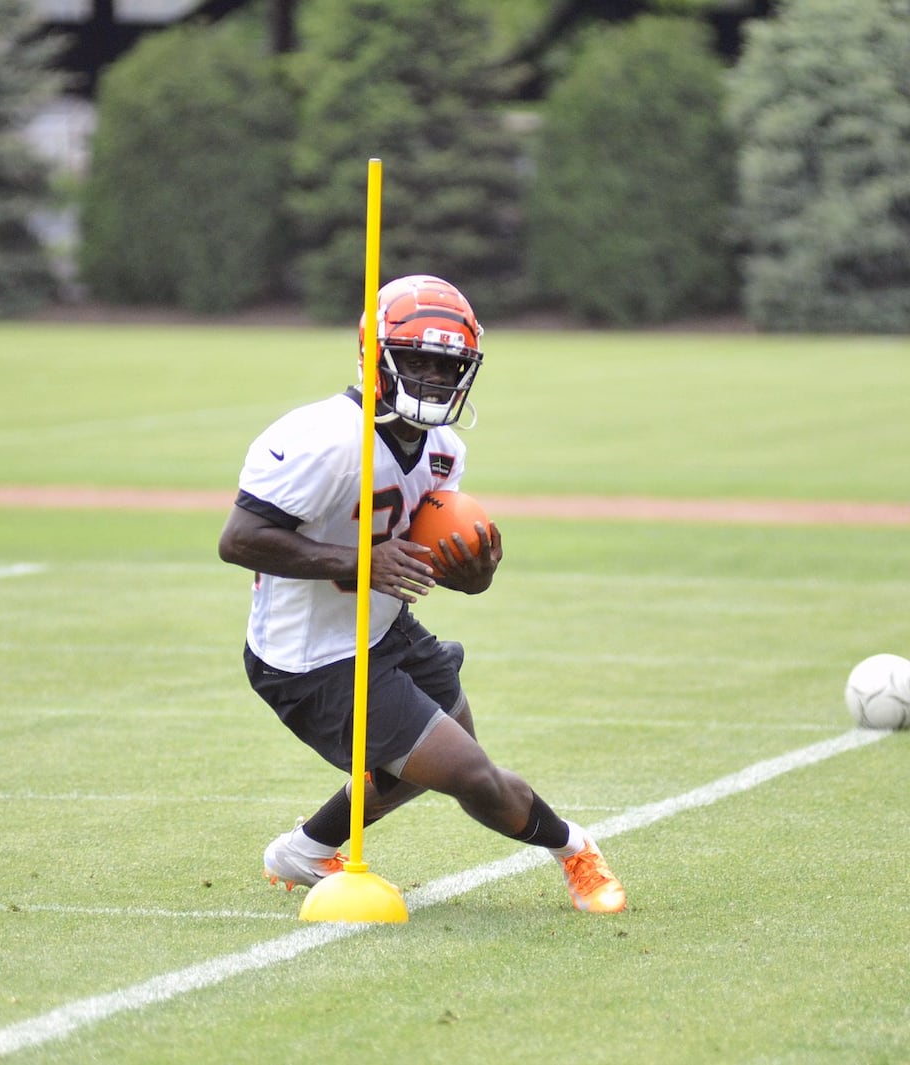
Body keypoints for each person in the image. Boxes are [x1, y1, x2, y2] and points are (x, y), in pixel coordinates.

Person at [217, 274, 627, 914]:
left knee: (435, 755)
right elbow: (240, 540)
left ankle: (303, 851)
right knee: (467, 772)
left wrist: (472, 575)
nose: (434, 378)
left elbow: (416, 555)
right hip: (311, 658)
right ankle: (574, 849)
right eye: (417, 360)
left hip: (384, 630)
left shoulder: (444, 449)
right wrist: (360, 562)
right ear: (376, 355)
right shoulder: (322, 438)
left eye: (448, 365)